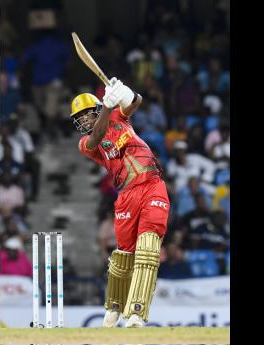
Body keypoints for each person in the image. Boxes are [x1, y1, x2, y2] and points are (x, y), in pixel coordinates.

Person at [69, 78, 169, 328]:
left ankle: (136, 312)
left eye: (85, 115)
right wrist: (107, 107)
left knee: (147, 250)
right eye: (79, 118)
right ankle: (114, 307)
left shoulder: (118, 117)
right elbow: (98, 136)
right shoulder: (86, 144)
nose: (83, 121)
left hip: (152, 186)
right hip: (126, 197)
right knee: (123, 257)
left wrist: (125, 92)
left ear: (94, 110)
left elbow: (136, 102)